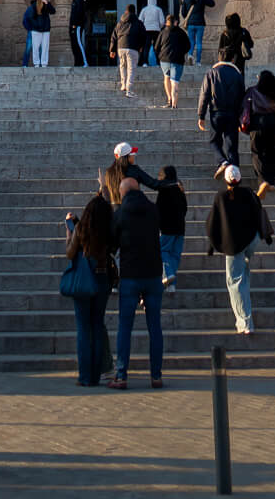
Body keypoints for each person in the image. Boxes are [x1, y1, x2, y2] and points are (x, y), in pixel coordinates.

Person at [109, 176, 166, 388]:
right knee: (155, 327)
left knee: (125, 326)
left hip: (131, 274)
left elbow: (112, 243)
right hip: (152, 274)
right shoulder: (152, 210)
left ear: (123, 193)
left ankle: (122, 375)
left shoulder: (121, 213)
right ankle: (156, 375)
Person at [205, 164, 273, 336]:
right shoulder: (249, 193)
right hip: (251, 240)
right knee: (243, 274)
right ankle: (245, 311)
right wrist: (266, 237)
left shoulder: (221, 197)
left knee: (235, 281)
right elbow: (258, 212)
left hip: (233, 245)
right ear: (240, 179)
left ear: (226, 181)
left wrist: (212, 246)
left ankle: (245, 321)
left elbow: (212, 224)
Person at [63, 193, 115, 386]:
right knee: (97, 325)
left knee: (83, 328)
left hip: (84, 280)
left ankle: (85, 377)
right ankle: (96, 374)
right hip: (103, 279)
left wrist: (70, 233)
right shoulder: (110, 229)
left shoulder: (81, 228)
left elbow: (70, 253)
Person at [241, 68, 275, 199]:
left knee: (257, 154)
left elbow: (245, 108)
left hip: (258, 124)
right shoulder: (274, 93)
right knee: (273, 153)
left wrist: (242, 124)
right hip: (274, 123)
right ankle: (271, 181)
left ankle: (262, 181)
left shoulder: (252, 91)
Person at [198, 50, 245, 175]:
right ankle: (234, 175)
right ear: (232, 59)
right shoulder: (237, 74)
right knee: (232, 146)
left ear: (219, 58)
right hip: (233, 114)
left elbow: (204, 95)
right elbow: (242, 97)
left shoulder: (211, 73)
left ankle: (223, 161)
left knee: (214, 141)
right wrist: (241, 117)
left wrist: (201, 115)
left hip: (216, 113)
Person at [156, 164, 188, 293]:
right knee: (175, 255)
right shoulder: (180, 191)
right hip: (180, 229)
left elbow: (158, 210)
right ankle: (171, 285)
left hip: (167, 229)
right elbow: (185, 208)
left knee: (162, 251)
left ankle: (168, 274)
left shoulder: (164, 191)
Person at [156, 12, 190, 110]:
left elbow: (156, 46)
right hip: (178, 60)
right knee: (175, 82)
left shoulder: (162, 32)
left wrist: (160, 55)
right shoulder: (181, 32)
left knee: (166, 78)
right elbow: (188, 45)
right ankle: (174, 104)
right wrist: (182, 52)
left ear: (167, 22)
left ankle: (169, 100)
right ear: (175, 22)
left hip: (164, 60)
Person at [112, 4, 145, 96]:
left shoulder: (120, 23)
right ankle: (129, 89)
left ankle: (123, 85)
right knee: (131, 68)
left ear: (126, 11)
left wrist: (112, 50)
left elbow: (114, 36)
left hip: (121, 47)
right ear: (135, 11)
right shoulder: (138, 23)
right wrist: (141, 46)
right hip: (133, 47)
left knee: (122, 65)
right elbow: (143, 36)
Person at [181, 0, 215, 65]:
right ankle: (198, 61)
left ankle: (190, 55)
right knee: (199, 42)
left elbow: (183, 13)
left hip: (190, 24)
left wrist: (188, 18)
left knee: (191, 41)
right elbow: (212, 4)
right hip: (200, 23)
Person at [217, 12, 254, 80]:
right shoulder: (243, 32)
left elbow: (220, 49)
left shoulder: (224, 34)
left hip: (227, 61)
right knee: (239, 78)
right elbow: (251, 44)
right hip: (240, 60)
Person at [24, 0, 56, 66]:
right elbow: (30, 18)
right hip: (36, 30)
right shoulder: (34, 5)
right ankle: (36, 64)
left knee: (45, 47)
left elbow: (53, 11)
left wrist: (48, 4)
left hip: (46, 30)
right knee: (36, 47)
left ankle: (44, 64)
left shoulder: (47, 4)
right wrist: (37, 26)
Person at [138, 0, 165, 66]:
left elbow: (140, 20)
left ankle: (145, 62)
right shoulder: (158, 9)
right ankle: (158, 63)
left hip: (146, 30)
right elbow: (162, 21)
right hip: (156, 30)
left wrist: (143, 28)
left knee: (146, 46)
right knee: (157, 47)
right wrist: (159, 27)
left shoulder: (144, 9)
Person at [67, 0, 89, 67]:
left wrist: (74, 25)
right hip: (75, 26)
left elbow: (79, 14)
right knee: (74, 45)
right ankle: (78, 62)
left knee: (78, 43)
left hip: (76, 26)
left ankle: (84, 62)